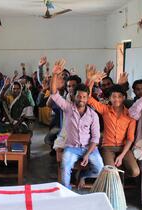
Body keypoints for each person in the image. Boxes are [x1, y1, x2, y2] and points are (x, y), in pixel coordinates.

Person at [51, 59, 104, 189]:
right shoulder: (68, 108)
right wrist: (54, 74)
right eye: (79, 96)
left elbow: (95, 138)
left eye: (84, 97)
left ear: (88, 98)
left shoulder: (93, 115)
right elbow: (54, 93)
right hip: (72, 147)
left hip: (89, 148)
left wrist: (87, 154)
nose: (81, 99)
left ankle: (83, 176)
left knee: (100, 170)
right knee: (65, 167)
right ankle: (66, 193)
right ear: (74, 96)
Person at [87, 72, 140, 178]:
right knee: (111, 174)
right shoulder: (105, 109)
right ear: (109, 98)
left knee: (135, 172)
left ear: (124, 98)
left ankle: (121, 175)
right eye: (114, 96)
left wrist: (122, 155)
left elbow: (130, 138)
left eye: (120, 96)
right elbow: (88, 98)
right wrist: (91, 80)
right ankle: (115, 183)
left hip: (124, 147)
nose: (117, 99)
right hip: (108, 147)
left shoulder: (130, 114)